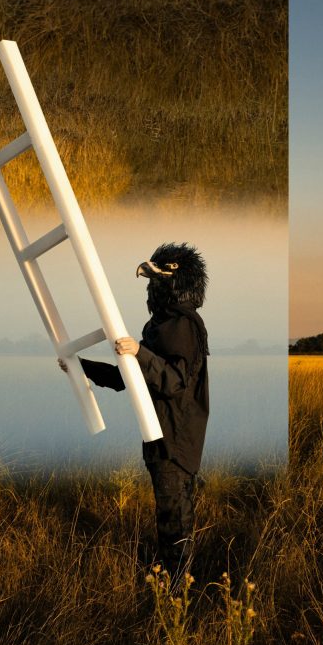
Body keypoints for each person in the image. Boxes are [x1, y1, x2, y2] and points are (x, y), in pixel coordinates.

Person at [58, 242, 209, 582]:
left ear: (180, 276)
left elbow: (173, 381)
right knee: (170, 517)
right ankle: (175, 586)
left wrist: (140, 352)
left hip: (175, 442)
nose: (149, 272)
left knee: (175, 522)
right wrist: (81, 367)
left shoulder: (183, 324)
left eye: (164, 269)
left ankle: (177, 596)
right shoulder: (162, 323)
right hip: (161, 439)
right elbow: (130, 379)